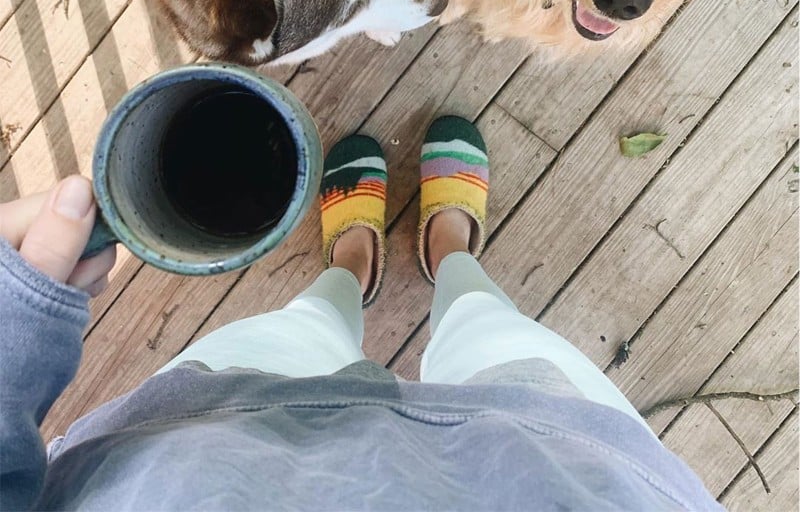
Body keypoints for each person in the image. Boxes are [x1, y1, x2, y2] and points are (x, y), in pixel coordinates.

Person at [0, 116, 721, 511]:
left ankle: (352, 269)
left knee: (300, 333)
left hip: (205, 446)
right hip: (559, 466)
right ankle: (450, 256)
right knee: (490, 333)